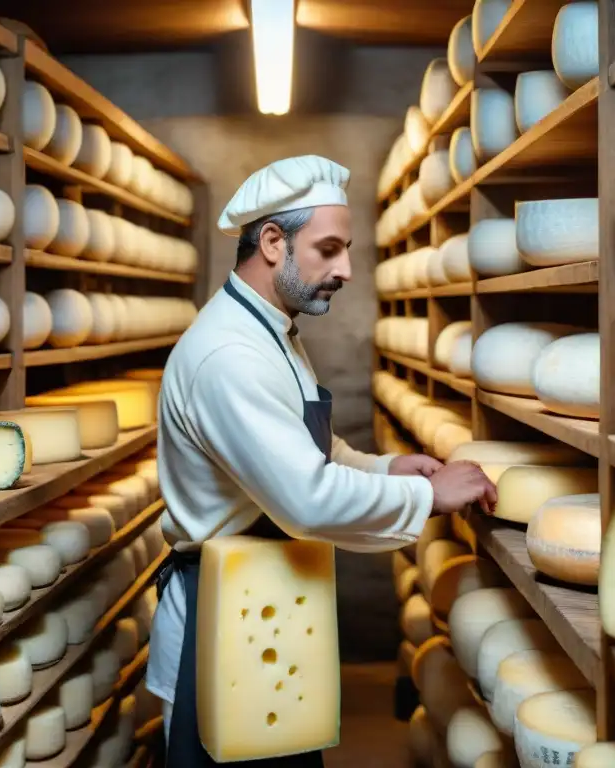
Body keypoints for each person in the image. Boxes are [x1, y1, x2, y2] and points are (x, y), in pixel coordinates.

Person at [146, 155, 497, 766]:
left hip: (264, 607)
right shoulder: (229, 355)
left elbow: (308, 449)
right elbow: (304, 497)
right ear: (275, 243)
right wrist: (429, 498)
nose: (348, 270)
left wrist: (387, 469)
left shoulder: (271, 332)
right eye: (329, 249)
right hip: (224, 624)